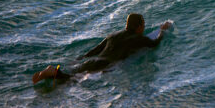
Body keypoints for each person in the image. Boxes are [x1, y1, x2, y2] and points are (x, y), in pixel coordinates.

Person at [32, 13, 173, 85]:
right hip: (103, 65)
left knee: (72, 76)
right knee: (71, 82)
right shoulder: (138, 38)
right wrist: (162, 31)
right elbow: (154, 44)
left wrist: (79, 59)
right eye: (143, 25)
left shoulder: (113, 35)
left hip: (92, 61)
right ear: (138, 27)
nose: (143, 28)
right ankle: (53, 71)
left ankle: (53, 72)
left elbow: (94, 50)